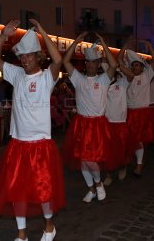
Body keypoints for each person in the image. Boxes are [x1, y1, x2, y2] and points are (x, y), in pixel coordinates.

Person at [0, 18, 65, 241]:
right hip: (18, 143)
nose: (24, 59)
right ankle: (21, 234)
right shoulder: (16, 74)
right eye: (21, 55)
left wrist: (42, 31)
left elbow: (58, 59)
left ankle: (49, 226)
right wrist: (4, 35)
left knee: (43, 191)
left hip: (40, 144)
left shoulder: (46, 77)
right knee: (16, 190)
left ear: (38, 56)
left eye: (29, 55)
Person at [62, 32, 117, 203]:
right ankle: (92, 188)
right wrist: (76, 42)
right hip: (81, 124)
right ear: (85, 63)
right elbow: (65, 61)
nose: (90, 64)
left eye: (94, 61)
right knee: (83, 161)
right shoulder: (78, 79)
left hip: (97, 125)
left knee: (90, 161)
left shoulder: (103, 80)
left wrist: (103, 44)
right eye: (88, 61)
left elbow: (114, 64)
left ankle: (98, 184)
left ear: (99, 63)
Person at [124, 40, 154, 177]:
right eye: (133, 65)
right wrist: (124, 48)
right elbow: (119, 62)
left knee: (139, 139)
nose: (135, 67)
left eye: (137, 65)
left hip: (142, 113)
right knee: (129, 139)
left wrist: (149, 46)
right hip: (129, 112)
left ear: (142, 67)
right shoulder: (127, 77)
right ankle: (131, 161)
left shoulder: (147, 75)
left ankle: (139, 164)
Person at [102, 45, 134, 186]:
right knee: (107, 151)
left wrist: (118, 67)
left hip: (120, 122)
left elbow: (131, 75)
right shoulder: (103, 83)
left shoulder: (122, 82)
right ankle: (108, 174)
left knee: (121, 149)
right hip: (107, 123)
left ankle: (122, 167)